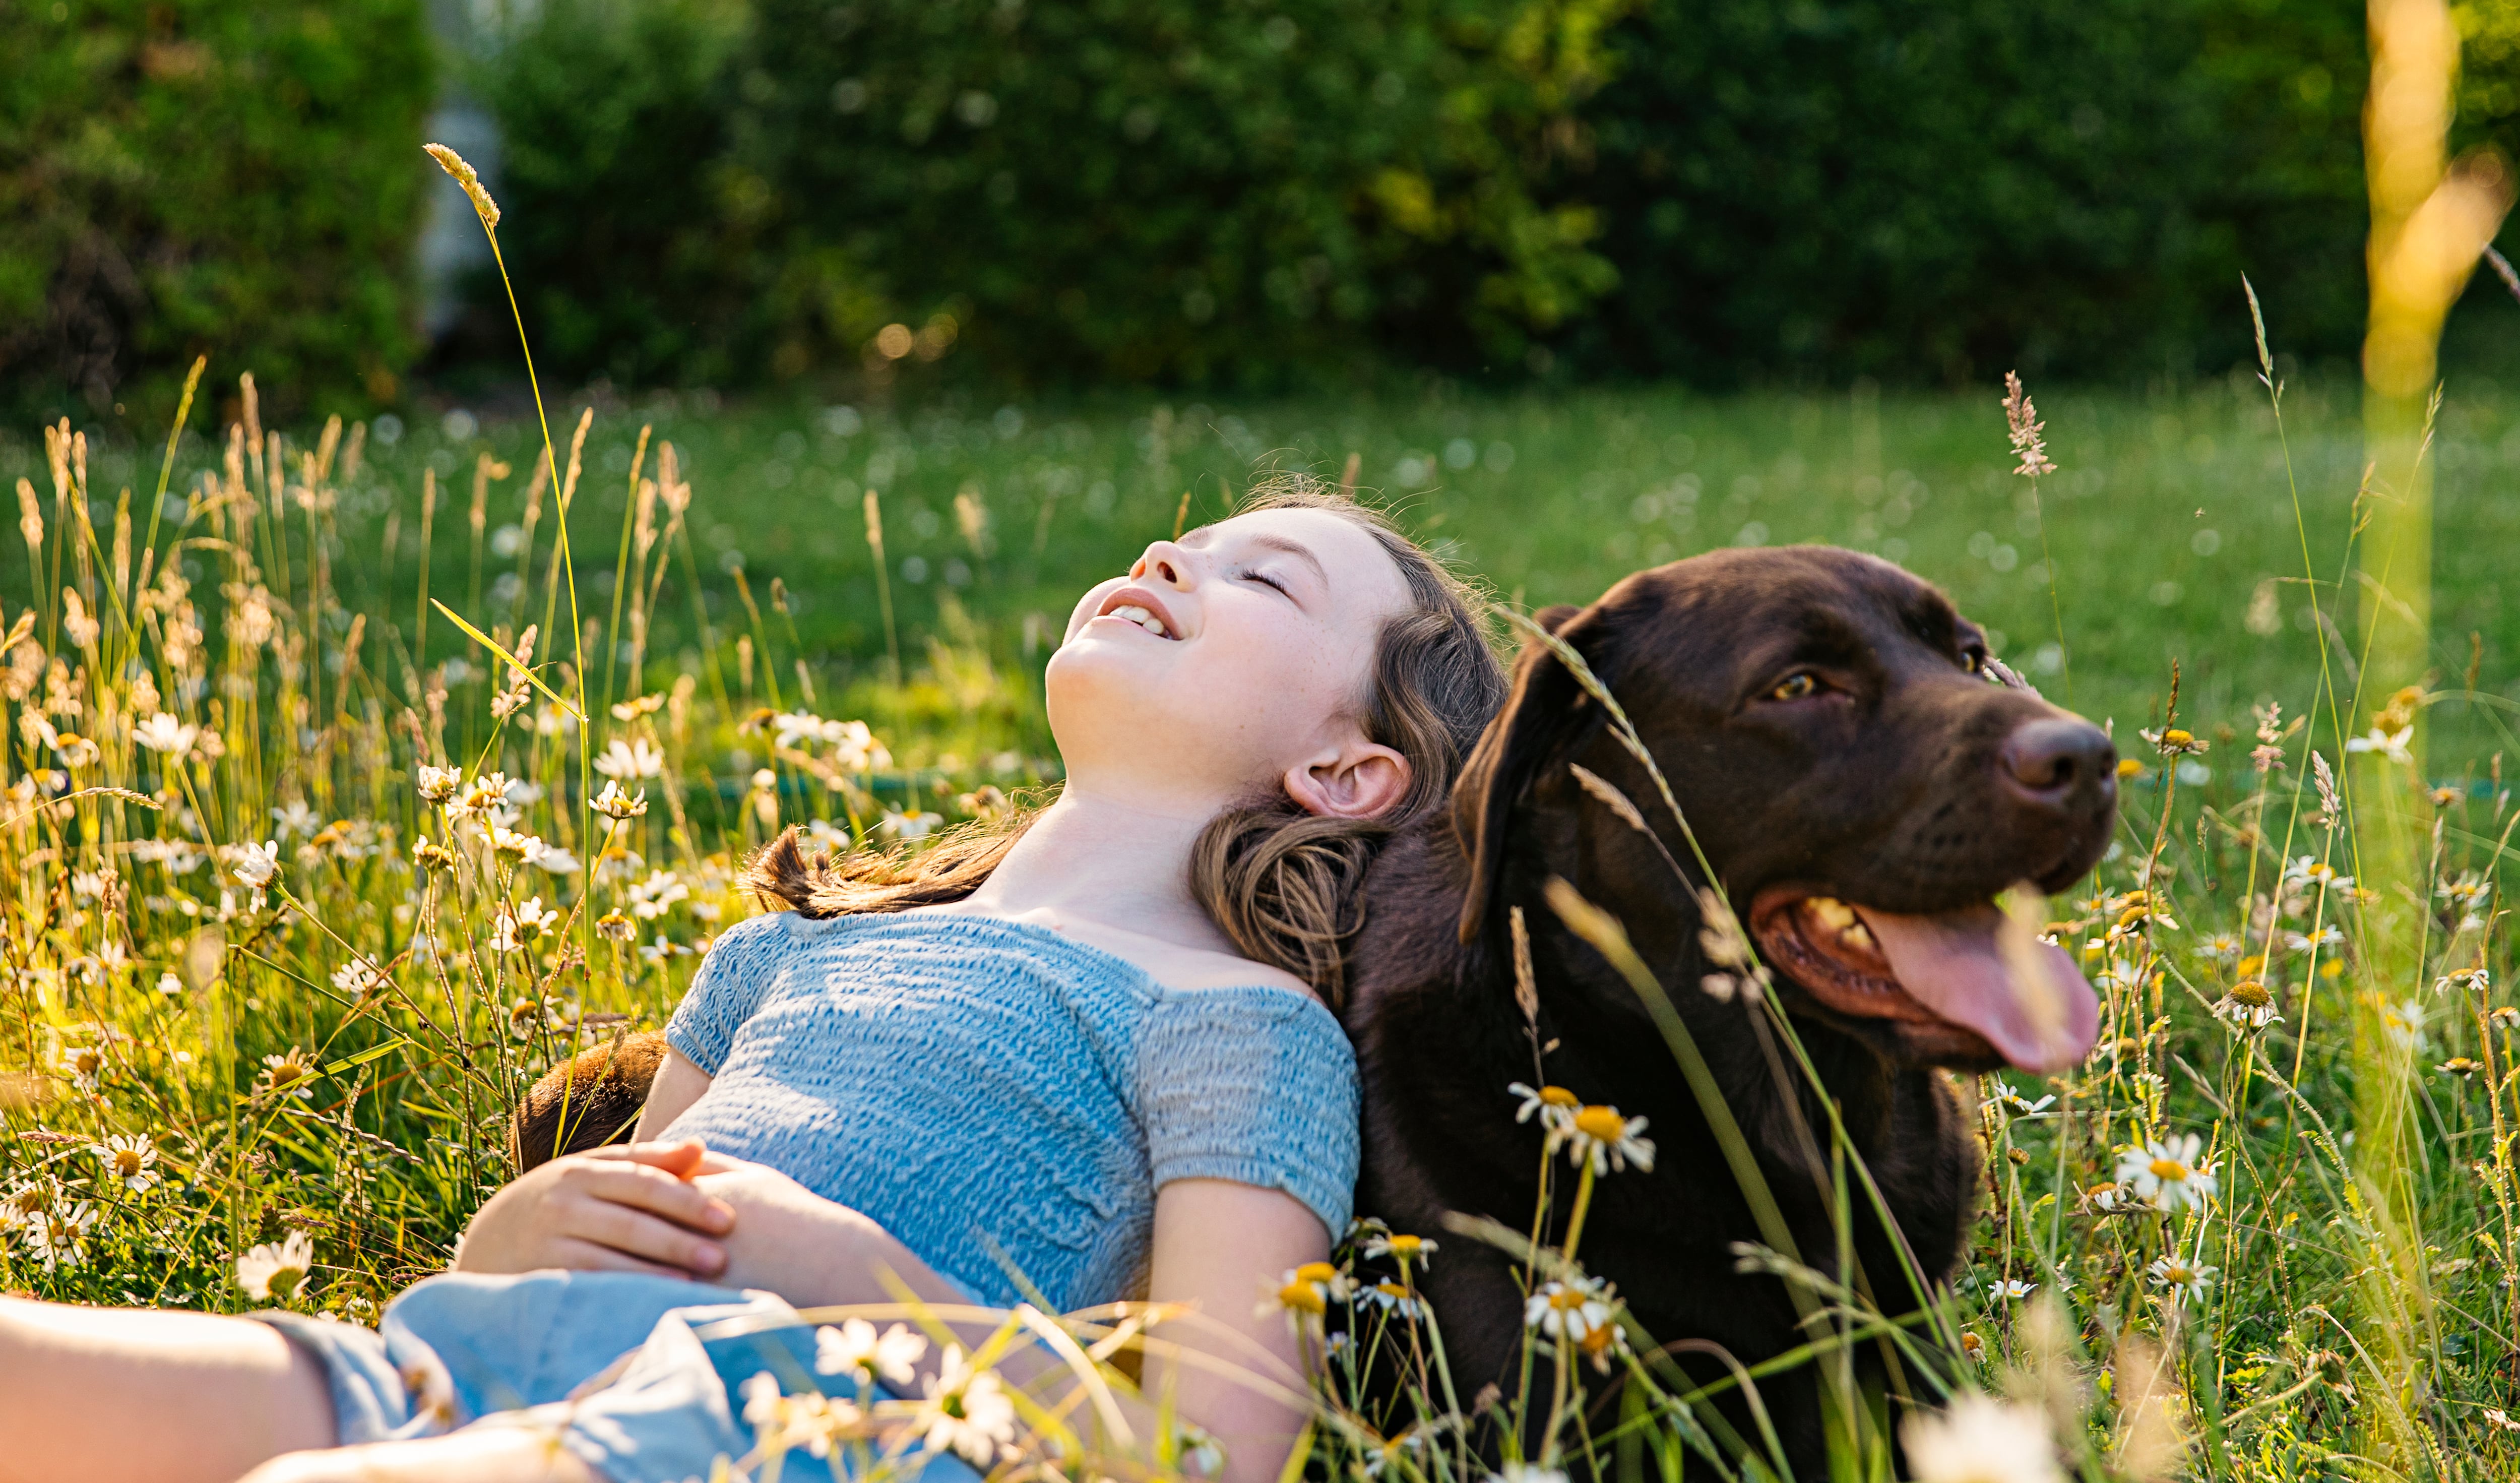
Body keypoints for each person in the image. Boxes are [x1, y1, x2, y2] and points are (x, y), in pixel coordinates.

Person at [0, 482, 1506, 1483]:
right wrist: (515, 1223)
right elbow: (598, 1231)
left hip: (776, 1425)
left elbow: (1218, 1452)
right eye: (1193, 539)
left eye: (1267, 580)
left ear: (1346, 768)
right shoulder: (789, 951)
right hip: (470, 1373)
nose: (1175, 555)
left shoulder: (1233, 1026)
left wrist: (862, 1282)